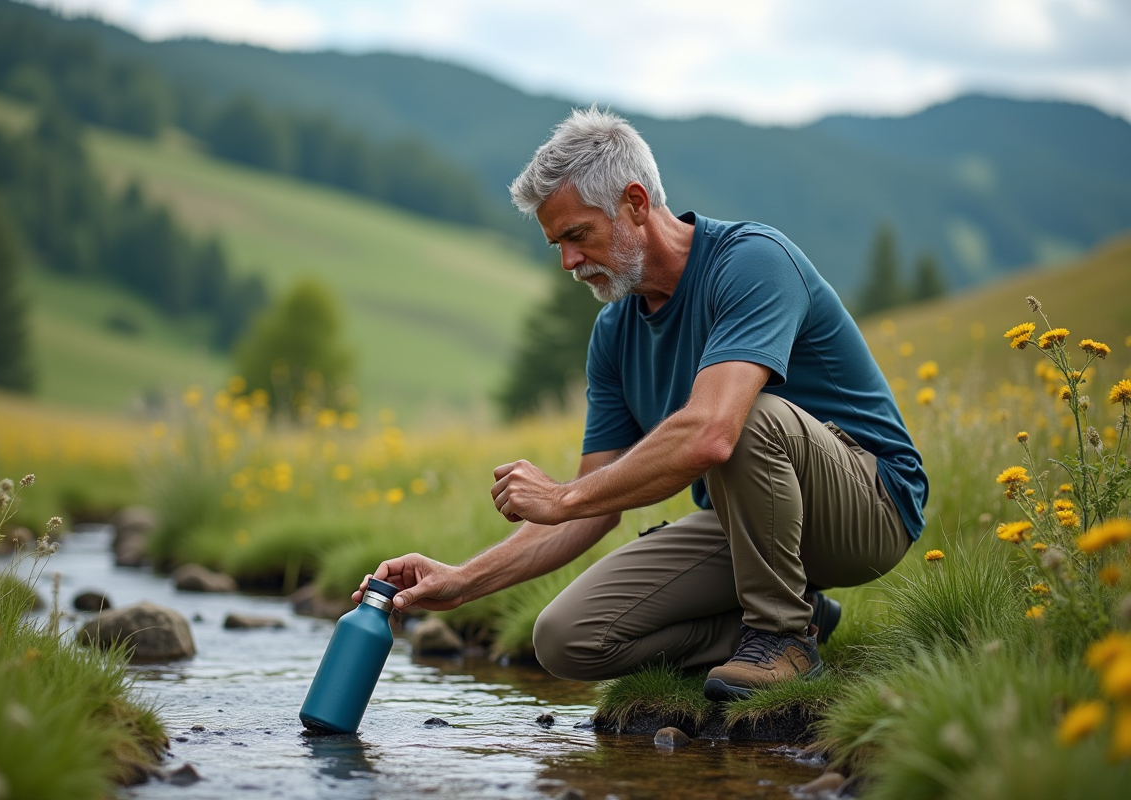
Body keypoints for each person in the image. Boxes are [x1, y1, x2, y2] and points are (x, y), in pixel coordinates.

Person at [353, 107, 927, 701]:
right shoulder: (613, 333)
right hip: (746, 529)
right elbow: (593, 504)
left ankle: (778, 636)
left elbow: (711, 436)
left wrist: (559, 496)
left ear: (634, 203)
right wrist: (460, 581)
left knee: (741, 415)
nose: (568, 263)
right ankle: (798, 621)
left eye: (577, 235)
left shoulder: (752, 261)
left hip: (869, 510)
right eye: (557, 244)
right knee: (565, 638)